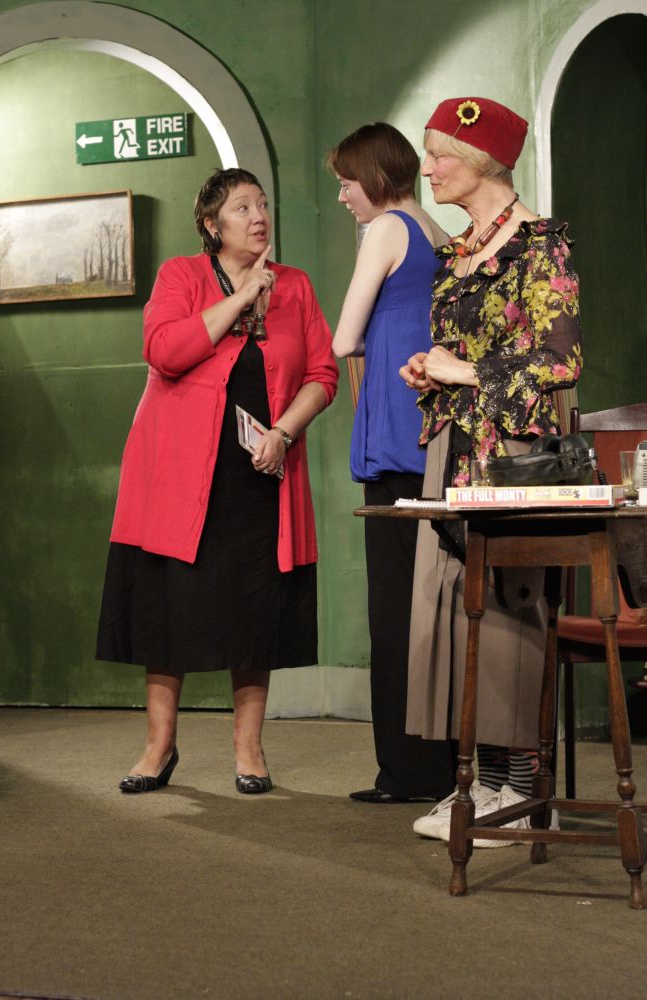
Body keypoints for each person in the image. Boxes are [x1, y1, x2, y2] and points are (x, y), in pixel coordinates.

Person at [96, 167, 338, 795]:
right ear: (212, 225)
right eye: (241, 207)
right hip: (178, 475)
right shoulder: (181, 275)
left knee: (253, 609)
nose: (258, 216)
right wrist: (241, 297)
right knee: (167, 608)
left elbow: (322, 374)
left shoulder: (296, 285)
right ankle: (158, 747)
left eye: (262, 204)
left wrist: (283, 432)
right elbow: (164, 351)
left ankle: (249, 750)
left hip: (260, 474)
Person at [399, 96, 582, 842]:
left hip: (513, 456)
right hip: (455, 446)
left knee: (508, 608)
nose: (429, 169)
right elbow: (464, 355)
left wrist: (467, 371)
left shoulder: (540, 247)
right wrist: (433, 371)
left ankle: (521, 784)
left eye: (439, 154)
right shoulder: (457, 253)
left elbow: (561, 361)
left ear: (480, 161)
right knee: (454, 604)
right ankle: (480, 780)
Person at [328, 122, 458, 804]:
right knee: (434, 607)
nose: (343, 196)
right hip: (432, 438)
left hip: (395, 437)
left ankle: (405, 773)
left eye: (347, 182)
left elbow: (343, 338)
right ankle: (441, 764)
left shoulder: (385, 230)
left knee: (395, 609)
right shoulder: (436, 232)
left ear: (374, 178)